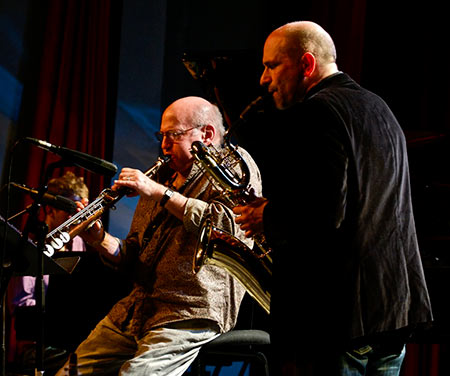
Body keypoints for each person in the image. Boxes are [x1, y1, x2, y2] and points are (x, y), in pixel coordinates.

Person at [233, 21, 433, 375]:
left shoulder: (318, 111)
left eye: (271, 65)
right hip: (394, 308)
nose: (263, 79)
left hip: (343, 314)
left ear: (307, 64)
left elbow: (324, 213)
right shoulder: (378, 106)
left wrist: (268, 216)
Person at [55, 96, 262, 375]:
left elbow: (229, 225)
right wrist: (98, 238)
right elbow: (132, 256)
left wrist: (159, 193)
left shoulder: (234, 165)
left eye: (173, 135)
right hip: (138, 309)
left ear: (207, 134)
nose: (164, 145)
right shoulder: (162, 176)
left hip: (190, 311)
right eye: (161, 136)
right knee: (71, 373)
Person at [8, 171, 89, 369]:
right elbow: (22, 306)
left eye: (76, 211)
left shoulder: (78, 243)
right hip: (35, 346)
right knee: (82, 364)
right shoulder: (31, 245)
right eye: (68, 210)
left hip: (69, 340)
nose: (74, 217)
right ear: (50, 210)